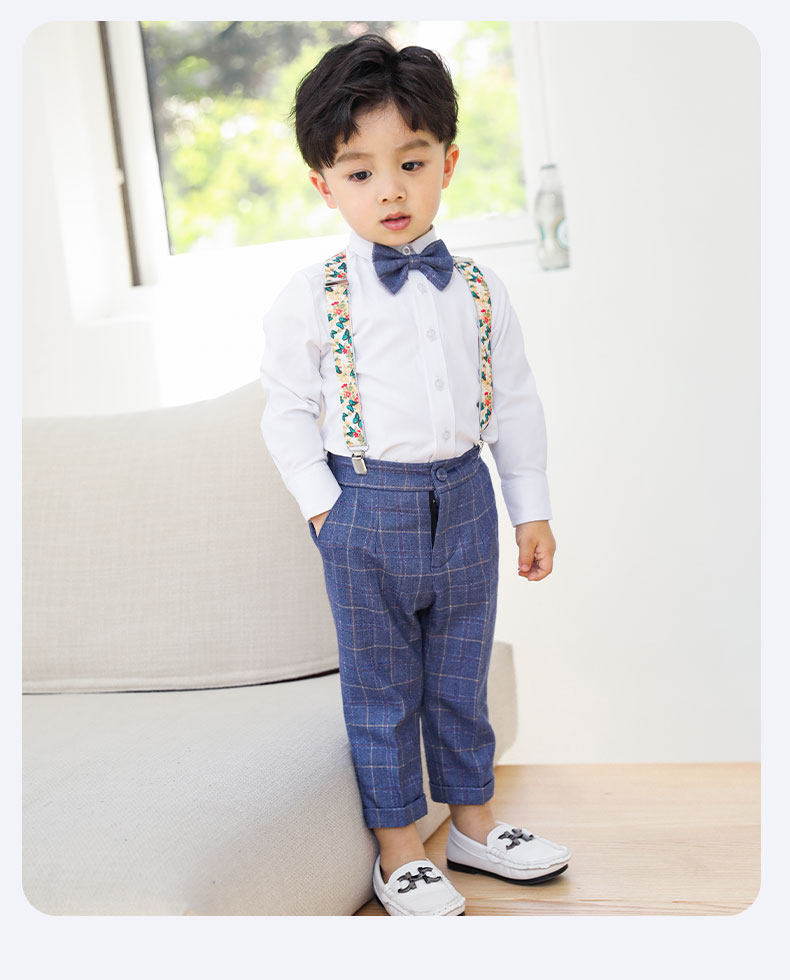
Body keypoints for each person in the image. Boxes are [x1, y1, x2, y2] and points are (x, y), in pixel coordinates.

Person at [259, 33, 571, 916]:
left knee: (460, 677)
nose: (390, 190)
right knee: (382, 688)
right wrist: (326, 510)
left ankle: (474, 826)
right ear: (324, 185)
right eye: (360, 172)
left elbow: (515, 404)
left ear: (448, 164)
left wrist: (530, 510)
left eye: (411, 162)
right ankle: (400, 852)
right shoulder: (313, 295)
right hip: (364, 506)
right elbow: (284, 409)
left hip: (466, 498)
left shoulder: (480, 289)